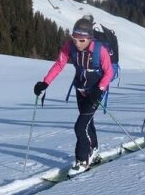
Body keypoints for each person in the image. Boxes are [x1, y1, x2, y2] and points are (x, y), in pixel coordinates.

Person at [33, 15, 114, 168]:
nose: (77, 43)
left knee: (80, 126)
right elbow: (59, 64)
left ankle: (83, 158)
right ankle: (94, 147)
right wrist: (45, 82)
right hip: (80, 90)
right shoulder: (69, 46)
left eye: (81, 40)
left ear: (89, 38)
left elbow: (109, 72)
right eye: (74, 38)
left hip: (95, 92)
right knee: (87, 122)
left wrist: (99, 89)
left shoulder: (100, 51)